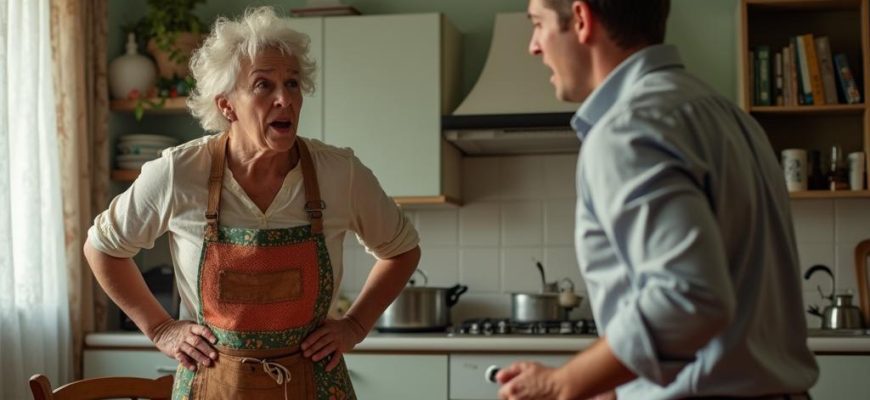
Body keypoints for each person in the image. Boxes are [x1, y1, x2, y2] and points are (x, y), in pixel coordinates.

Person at [84, 7, 421, 400]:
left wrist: (355, 325)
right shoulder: (179, 172)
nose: (285, 99)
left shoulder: (338, 172)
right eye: (263, 85)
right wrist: (161, 329)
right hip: (212, 386)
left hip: (314, 384)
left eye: (292, 83)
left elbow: (402, 250)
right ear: (227, 105)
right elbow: (102, 248)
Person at [496, 1, 819, 399]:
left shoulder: (629, 127)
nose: (533, 46)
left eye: (538, 23)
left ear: (581, 19)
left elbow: (687, 298)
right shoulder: (732, 119)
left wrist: (561, 383)